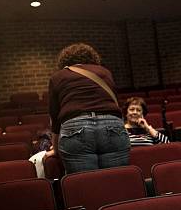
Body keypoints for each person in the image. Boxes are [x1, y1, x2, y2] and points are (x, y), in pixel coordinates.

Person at [46, 43, 130, 174]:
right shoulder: (105, 72)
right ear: (92, 58)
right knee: (115, 181)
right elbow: (115, 105)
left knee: (86, 185)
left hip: (75, 126)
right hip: (112, 124)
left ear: (65, 60)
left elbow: (54, 118)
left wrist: (56, 149)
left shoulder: (58, 76)